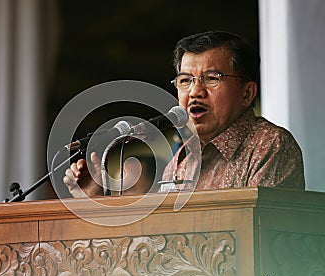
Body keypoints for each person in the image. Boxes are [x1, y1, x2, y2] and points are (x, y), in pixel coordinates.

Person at [63, 31, 305, 197]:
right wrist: (96, 201)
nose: (195, 91)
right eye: (185, 80)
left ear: (247, 93)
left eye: (211, 78)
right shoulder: (182, 157)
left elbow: (262, 237)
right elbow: (158, 240)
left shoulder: (270, 146)